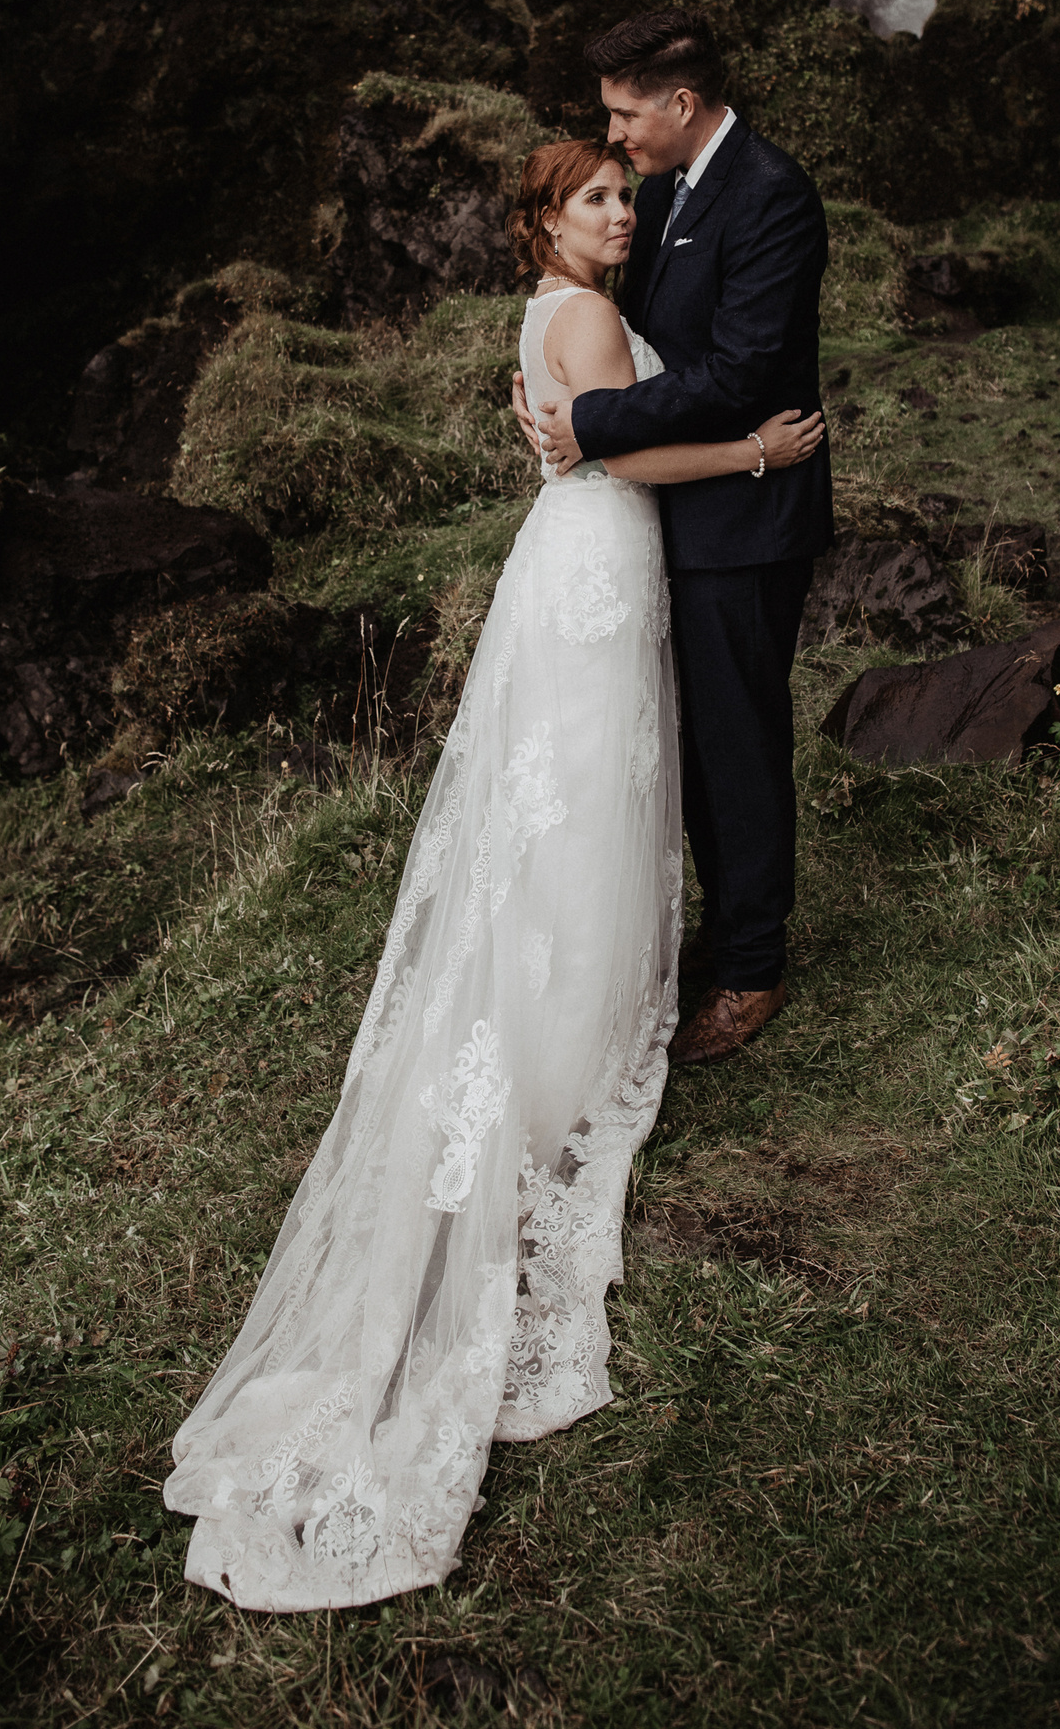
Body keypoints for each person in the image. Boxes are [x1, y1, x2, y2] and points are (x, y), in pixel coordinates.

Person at [165, 139, 823, 1611]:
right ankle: (563, 1030)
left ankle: (566, 1000)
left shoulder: (551, 307)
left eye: (620, 191)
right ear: (543, 221)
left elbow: (572, 433)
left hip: (578, 562)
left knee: (571, 810)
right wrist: (758, 455)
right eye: (593, 198)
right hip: (598, 559)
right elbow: (611, 446)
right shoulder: (580, 312)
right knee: (579, 803)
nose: (619, 209)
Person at [520, 8, 832, 1065]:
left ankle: (752, 970)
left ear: (682, 103)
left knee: (738, 745)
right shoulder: (660, 195)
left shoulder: (773, 195)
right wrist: (557, 393)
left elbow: (742, 374)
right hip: (664, 515)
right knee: (686, 744)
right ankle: (719, 929)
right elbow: (625, 337)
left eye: (624, 113)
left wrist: (590, 424)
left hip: (745, 522)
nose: (615, 134)